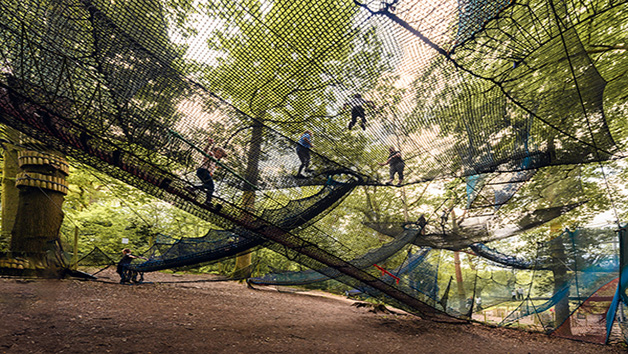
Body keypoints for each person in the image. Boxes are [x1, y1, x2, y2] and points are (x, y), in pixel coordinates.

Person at [195, 138, 227, 207]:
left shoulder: (215, 160)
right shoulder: (211, 154)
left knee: (210, 187)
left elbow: (212, 167)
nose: (220, 157)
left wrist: (212, 172)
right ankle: (194, 189)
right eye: (220, 154)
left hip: (205, 172)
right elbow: (205, 151)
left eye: (221, 156)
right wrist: (209, 144)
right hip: (203, 171)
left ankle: (207, 200)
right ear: (216, 151)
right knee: (211, 186)